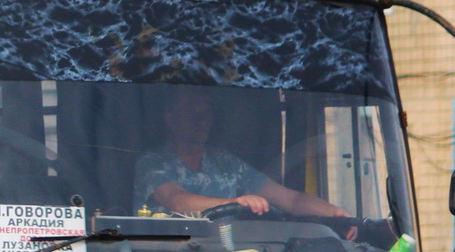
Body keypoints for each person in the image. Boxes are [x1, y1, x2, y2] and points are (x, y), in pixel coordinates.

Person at [133, 91, 351, 221]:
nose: (203, 121)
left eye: (206, 114)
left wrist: (335, 213)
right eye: (193, 115)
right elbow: (176, 201)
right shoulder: (154, 162)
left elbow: (292, 200)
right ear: (171, 120)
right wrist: (235, 203)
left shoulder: (226, 163)